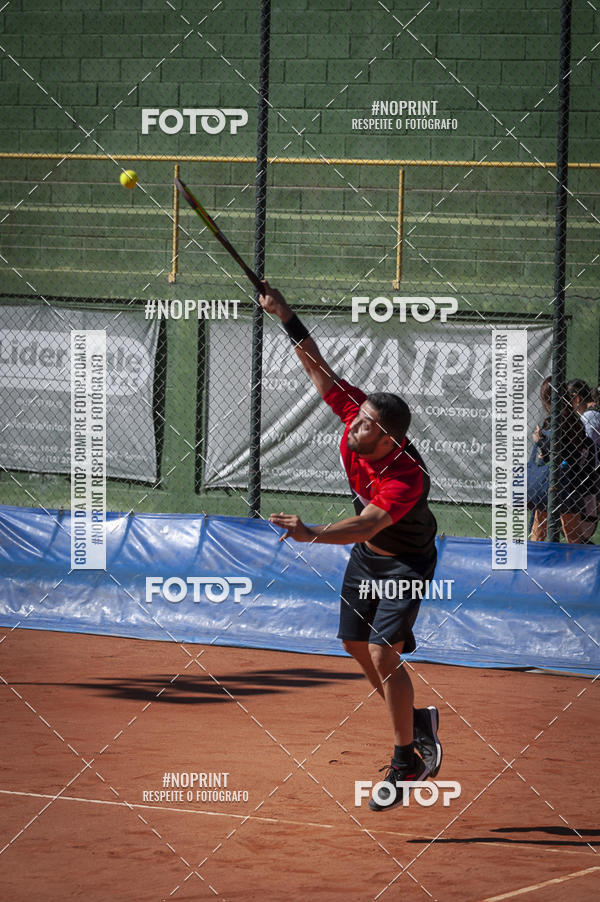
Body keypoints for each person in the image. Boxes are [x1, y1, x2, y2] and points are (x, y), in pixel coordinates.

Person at [258, 281, 441, 812]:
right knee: (353, 645)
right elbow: (317, 367)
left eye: (366, 424)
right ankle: (416, 723)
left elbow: (367, 525)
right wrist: (284, 313)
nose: (354, 423)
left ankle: (407, 755)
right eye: (356, 416)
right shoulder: (355, 416)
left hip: (405, 559)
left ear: (391, 439)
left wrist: (312, 533)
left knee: (385, 650)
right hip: (367, 558)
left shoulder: (405, 476)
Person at [529, 377, 595, 543]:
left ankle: (532, 564)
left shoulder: (557, 424)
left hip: (552, 488)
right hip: (570, 488)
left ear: (547, 402)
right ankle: (576, 564)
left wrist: (540, 443)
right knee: (573, 538)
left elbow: (562, 452)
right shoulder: (575, 423)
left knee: (538, 534)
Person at [567, 379, 600, 540]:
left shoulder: (588, 418)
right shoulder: (591, 416)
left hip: (591, 481)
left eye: (567, 400)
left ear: (577, 398)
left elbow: (588, 453)